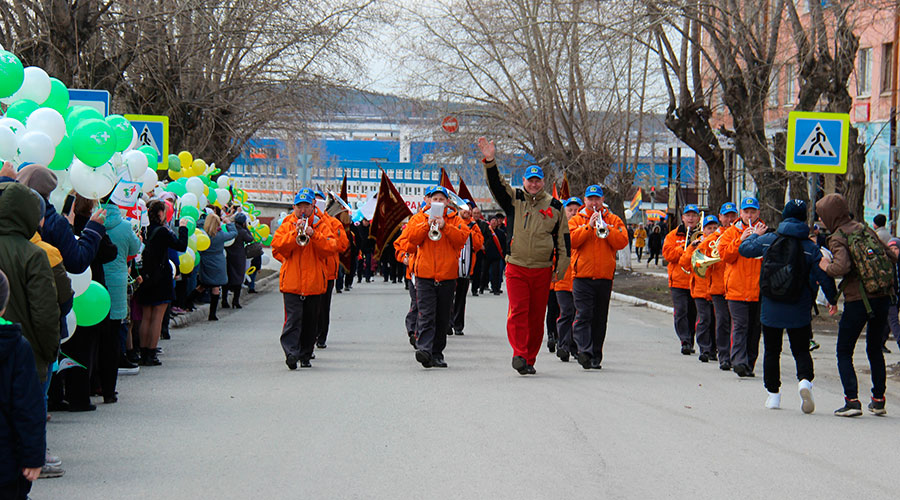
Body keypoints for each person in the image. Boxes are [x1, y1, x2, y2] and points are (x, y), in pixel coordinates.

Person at [479, 137, 570, 375]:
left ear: (543, 182)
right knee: (518, 310)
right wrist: (490, 161)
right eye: (530, 180)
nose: (534, 184)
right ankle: (519, 353)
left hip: (542, 270)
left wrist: (559, 271)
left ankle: (530, 358)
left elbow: (564, 242)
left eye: (537, 180)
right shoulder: (515, 200)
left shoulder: (557, 208)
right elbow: (497, 186)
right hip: (516, 266)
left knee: (536, 316)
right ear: (524, 181)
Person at [739, 200, 838, 413]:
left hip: (771, 306)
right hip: (799, 307)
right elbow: (824, 275)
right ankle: (804, 382)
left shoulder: (769, 240)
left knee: (772, 351)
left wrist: (754, 235)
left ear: (784, 216)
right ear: (804, 218)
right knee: (801, 349)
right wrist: (833, 299)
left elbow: (745, 249)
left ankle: (773, 395)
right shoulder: (811, 248)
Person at [816, 193, 897, 417]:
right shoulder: (863, 228)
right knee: (874, 349)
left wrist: (826, 267)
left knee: (844, 350)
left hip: (858, 300)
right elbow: (891, 256)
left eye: (822, 216)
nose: (821, 221)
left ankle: (852, 401)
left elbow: (840, 267)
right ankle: (878, 400)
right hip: (881, 297)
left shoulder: (838, 236)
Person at [401, 187, 468, 367]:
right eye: (434, 198)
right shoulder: (418, 218)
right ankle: (424, 349)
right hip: (425, 275)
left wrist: (445, 226)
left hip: (447, 275)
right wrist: (427, 224)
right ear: (427, 200)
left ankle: (437, 353)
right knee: (426, 314)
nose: (438, 201)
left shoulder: (456, 219)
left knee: (442, 317)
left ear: (447, 202)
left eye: (441, 198)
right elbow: (411, 239)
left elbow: (462, 239)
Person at [271, 189, 337, 369]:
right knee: (293, 320)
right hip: (292, 282)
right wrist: (295, 234)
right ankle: (291, 353)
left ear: (312, 206)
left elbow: (332, 247)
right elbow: (277, 246)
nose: (302, 210)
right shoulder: (287, 224)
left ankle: (306, 354)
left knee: (310, 321)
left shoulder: (322, 224)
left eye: (306, 206)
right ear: (294, 207)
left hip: (315, 282)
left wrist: (313, 235)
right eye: (299, 206)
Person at [568, 185, 628, 369]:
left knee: (600, 318)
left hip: (604, 277)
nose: (594, 203)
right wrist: (589, 226)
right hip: (582, 276)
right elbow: (570, 241)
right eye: (590, 199)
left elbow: (622, 241)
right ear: (585, 200)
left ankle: (596, 355)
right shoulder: (576, 220)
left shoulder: (613, 219)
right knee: (584, 314)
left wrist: (607, 228)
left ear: (602, 200)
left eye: (597, 199)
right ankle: (584, 351)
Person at [0, 270, 46, 500]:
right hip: (6, 460)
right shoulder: (17, 347)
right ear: (4, 306)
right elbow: (27, 407)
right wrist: (33, 455)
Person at [135, 200, 189, 365]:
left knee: (146, 317)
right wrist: (183, 228)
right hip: (161, 277)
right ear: (160, 214)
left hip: (145, 277)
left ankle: (142, 352)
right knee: (157, 317)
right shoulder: (163, 232)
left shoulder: (143, 230)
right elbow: (181, 246)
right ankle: (151, 352)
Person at [717, 197, 764, 378]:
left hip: (757, 290)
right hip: (736, 289)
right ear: (741, 214)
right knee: (740, 326)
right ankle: (738, 361)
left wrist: (757, 237)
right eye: (746, 212)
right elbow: (724, 255)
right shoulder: (731, 233)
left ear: (758, 213)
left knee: (754, 329)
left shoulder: (764, 232)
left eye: (753, 212)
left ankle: (749, 364)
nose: (749, 215)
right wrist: (742, 240)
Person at [101, 203, 142, 397]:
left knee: (96, 334)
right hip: (118, 279)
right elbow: (135, 248)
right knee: (114, 330)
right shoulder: (125, 226)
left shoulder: (94, 223)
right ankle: (109, 388)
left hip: (96, 279)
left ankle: (94, 383)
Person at [700, 202, 738, 370]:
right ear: (720, 217)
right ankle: (724, 356)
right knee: (722, 321)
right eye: (726, 216)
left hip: (736, 286)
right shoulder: (713, 238)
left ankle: (736, 355)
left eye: (732, 216)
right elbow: (698, 259)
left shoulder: (740, 233)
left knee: (737, 323)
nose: (729, 219)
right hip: (718, 287)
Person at [679, 215, 719, 362]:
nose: (712, 231)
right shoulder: (698, 244)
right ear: (704, 230)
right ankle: (704, 349)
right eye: (709, 228)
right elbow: (684, 262)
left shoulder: (720, 241)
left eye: (715, 228)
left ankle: (714, 349)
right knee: (704, 319)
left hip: (716, 288)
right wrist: (692, 247)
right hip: (700, 289)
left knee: (716, 321)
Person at [662, 204, 700, 354]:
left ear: (698, 218)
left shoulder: (701, 235)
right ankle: (685, 340)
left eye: (694, 215)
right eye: (688, 215)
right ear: (683, 217)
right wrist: (685, 248)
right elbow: (668, 255)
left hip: (696, 280)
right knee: (681, 311)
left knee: (693, 312)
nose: (691, 218)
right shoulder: (673, 235)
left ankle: (690, 338)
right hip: (678, 280)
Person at [314, 191, 349, 348]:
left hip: (327, 271)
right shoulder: (303, 221)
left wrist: (325, 223)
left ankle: (321, 336)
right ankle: (309, 335)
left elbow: (342, 245)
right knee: (310, 306)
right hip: (311, 269)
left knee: (323, 306)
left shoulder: (333, 223)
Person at [187, 213, 237, 321]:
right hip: (218, 261)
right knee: (215, 287)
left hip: (206, 261)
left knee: (203, 285)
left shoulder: (203, 235)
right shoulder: (220, 235)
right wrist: (229, 223)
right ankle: (212, 314)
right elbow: (233, 233)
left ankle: (188, 302)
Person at [554, 197, 582, 362]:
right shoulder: (557, 229)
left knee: (579, 314)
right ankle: (563, 345)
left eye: (576, 209)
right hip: (563, 279)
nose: (573, 213)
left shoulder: (585, 228)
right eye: (570, 210)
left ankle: (576, 346)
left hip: (579, 279)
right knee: (566, 312)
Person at [450, 201, 484, 336]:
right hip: (451, 267)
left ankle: (458, 325)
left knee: (461, 297)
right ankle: (447, 323)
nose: (467, 212)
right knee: (448, 296)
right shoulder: (452, 221)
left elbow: (478, 244)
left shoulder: (474, 226)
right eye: (464, 209)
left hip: (466, 268)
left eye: (468, 209)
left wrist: (468, 231)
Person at [222, 212, 254, 310]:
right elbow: (250, 239)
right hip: (239, 257)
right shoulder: (243, 231)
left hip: (228, 255)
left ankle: (224, 300)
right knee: (238, 278)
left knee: (227, 278)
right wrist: (246, 228)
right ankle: (235, 301)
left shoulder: (230, 228)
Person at [482, 215, 507, 295]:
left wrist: (504, 252)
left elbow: (503, 244)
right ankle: (482, 287)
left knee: (496, 272)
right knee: (484, 272)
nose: (494, 222)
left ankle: (495, 288)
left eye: (495, 221)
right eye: (492, 221)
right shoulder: (486, 231)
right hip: (486, 255)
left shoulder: (501, 233)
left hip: (496, 255)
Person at [470, 207, 491, 296]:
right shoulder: (468, 223)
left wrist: (484, 246)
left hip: (479, 251)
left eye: (478, 213)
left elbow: (489, 237)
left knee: (477, 270)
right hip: (469, 251)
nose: (476, 215)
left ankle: (475, 289)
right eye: (474, 213)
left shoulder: (484, 225)